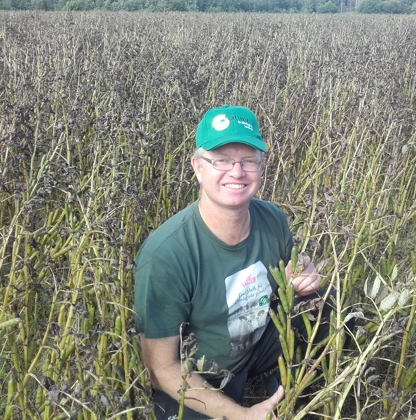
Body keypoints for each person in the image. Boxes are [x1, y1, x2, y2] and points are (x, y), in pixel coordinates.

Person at [134, 105, 327, 420]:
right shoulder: (165, 255)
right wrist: (241, 414)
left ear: (261, 166)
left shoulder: (273, 219)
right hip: (202, 374)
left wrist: (303, 273)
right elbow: (162, 368)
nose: (237, 172)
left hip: (256, 344)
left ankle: (285, 388)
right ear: (198, 167)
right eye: (221, 160)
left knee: (323, 305)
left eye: (248, 160)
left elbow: (288, 280)